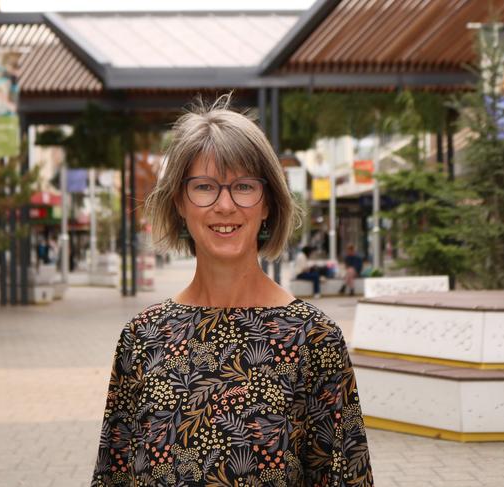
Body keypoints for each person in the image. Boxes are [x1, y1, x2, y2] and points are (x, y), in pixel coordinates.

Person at [91, 96, 373, 486]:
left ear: (269, 203)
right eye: (204, 187)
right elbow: (113, 476)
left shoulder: (313, 338)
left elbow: (345, 476)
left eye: (243, 186)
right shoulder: (143, 338)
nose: (225, 205)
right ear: (179, 203)